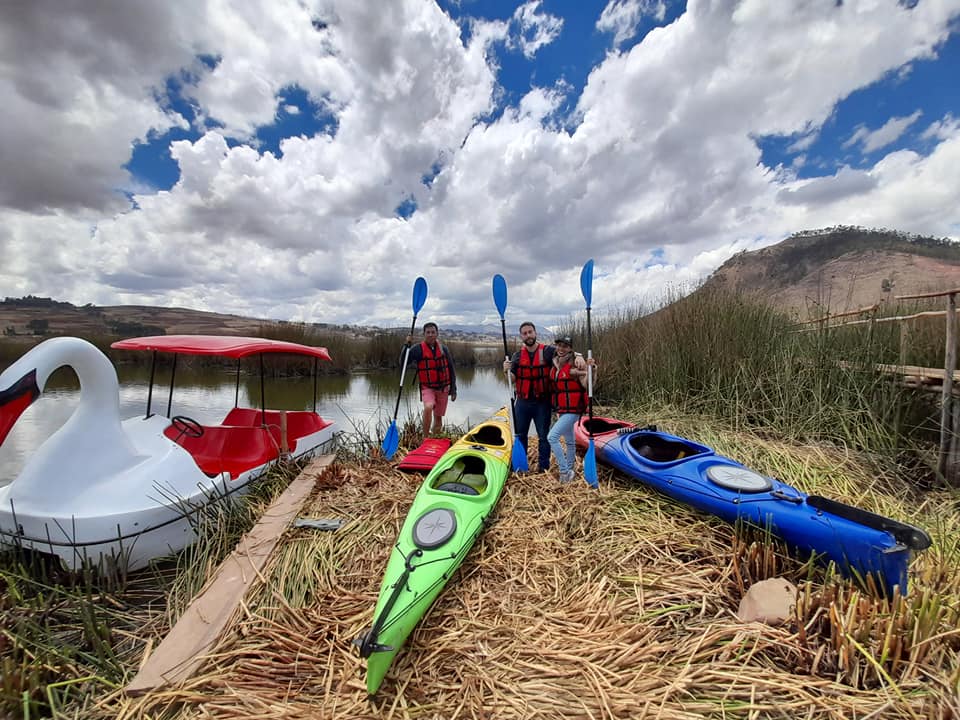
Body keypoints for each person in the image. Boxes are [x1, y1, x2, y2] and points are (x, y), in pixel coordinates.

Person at [503, 322, 584, 472]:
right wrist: (506, 371)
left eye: (530, 332)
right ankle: (520, 467)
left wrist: (579, 355)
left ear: (535, 333)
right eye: (525, 333)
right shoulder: (517, 356)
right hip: (522, 403)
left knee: (543, 437)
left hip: (542, 403)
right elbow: (512, 379)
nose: (528, 335)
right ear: (521, 336)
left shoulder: (547, 351)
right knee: (520, 435)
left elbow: (565, 351)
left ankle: (543, 467)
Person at [547, 336, 593, 483]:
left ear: (570, 348)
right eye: (559, 345)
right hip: (562, 408)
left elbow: (587, 383)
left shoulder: (576, 363)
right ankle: (570, 469)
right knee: (570, 441)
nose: (561, 349)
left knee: (552, 437)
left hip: (574, 409)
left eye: (565, 346)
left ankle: (564, 472)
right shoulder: (555, 361)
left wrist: (591, 369)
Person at [404, 322, 457, 436]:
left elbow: (451, 369)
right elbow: (403, 362)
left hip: (443, 388)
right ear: (424, 334)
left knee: (438, 418)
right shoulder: (417, 349)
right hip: (427, 387)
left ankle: (435, 438)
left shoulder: (444, 349)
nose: (430, 335)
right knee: (428, 407)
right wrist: (406, 345)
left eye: (433, 332)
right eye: (428, 332)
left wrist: (454, 390)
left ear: (437, 334)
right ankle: (426, 437)